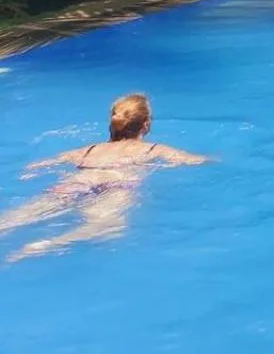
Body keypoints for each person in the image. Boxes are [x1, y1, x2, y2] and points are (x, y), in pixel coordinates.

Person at [0, 93, 205, 261]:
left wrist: (33, 170)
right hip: (117, 185)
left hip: (77, 182)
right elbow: (192, 161)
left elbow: (40, 165)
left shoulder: (89, 149)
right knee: (108, 227)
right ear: (146, 125)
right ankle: (48, 243)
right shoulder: (152, 149)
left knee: (17, 217)